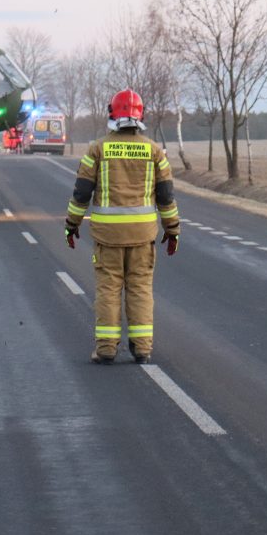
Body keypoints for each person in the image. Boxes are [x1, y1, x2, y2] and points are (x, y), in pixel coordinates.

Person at [64, 89, 180, 364]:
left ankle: (105, 349)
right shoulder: (154, 151)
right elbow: (166, 197)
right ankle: (142, 348)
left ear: (111, 113)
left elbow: (81, 194)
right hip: (143, 236)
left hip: (107, 238)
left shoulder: (97, 149)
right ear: (142, 116)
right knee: (140, 289)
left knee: (108, 289)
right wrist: (173, 230)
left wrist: (72, 225)